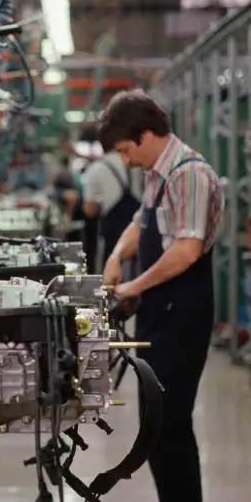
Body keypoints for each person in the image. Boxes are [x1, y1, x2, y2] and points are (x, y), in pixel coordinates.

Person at [100, 90, 224, 502]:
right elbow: (141, 223)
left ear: (146, 134)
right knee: (156, 423)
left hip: (182, 312)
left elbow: (187, 250)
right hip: (159, 310)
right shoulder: (158, 172)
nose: (125, 161)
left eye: (124, 150)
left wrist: (134, 286)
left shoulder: (189, 174)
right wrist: (117, 256)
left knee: (169, 426)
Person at [81, 129, 143, 273]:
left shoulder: (96, 169)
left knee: (110, 268)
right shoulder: (136, 164)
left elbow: (89, 210)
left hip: (112, 231)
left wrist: (99, 202)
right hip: (139, 224)